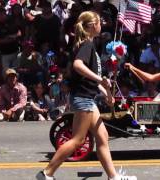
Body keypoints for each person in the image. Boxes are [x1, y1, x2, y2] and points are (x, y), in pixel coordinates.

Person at [41, 11, 137, 180]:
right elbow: (78, 66)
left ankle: (113, 176)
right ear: (92, 26)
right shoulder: (86, 45)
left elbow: (87, 77)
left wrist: (106, 92)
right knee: (78, 140)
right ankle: (47, 173)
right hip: (83, 99)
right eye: (100, 22)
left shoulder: (87, 45)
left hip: (87, 98)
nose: (102, 24)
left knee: (103, 137)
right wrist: (100, 79)